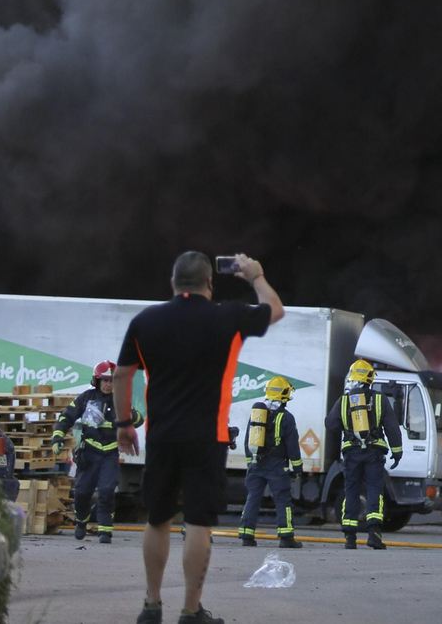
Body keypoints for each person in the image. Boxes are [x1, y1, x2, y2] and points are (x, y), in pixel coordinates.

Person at [114, 252, 284, 624]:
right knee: (197, 522)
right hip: (208, 436)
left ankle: (151, 606)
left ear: (173, 283)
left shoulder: (145, 321)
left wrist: (124, 423)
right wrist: (255, 275)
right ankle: (191, 611)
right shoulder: (229, 315)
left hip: (161, 436)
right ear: (210, 283)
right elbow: (275, 309)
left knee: (157, 519)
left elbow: (122, 374)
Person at [52, 360, 143, 545]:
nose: (108, 385)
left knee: (107, 490)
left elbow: (139, 419)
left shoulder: (121, 401)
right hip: (89, 453)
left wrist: (128, 413)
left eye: (112, 381)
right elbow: (66, 416)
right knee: (82, 492)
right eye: (105, 381)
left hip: (110, 453)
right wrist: (57, 438)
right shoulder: (86, 398)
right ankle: (81, 521)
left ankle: (105, 530)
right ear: (97, 381)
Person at [325, 359, 402, 550]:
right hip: (374, 453)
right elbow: (392, 427)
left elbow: (331, 425)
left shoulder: (344, 401)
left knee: (351, 491)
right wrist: (397, 452)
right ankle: (374, 535)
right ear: (370, 379)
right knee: (375, 490)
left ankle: (350, 538)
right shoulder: (379, 399)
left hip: (351, 454)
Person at [238, 376, 303, 549]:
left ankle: (246, 535)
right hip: (276, 465)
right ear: (285, 394)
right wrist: (297, 468)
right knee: (282, 500)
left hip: (256, 463)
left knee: (253, 498)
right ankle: (286, 537)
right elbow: (292, 445)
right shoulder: (286, 417)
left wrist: (250, 464)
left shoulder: (257, 414)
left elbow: (248, 440)